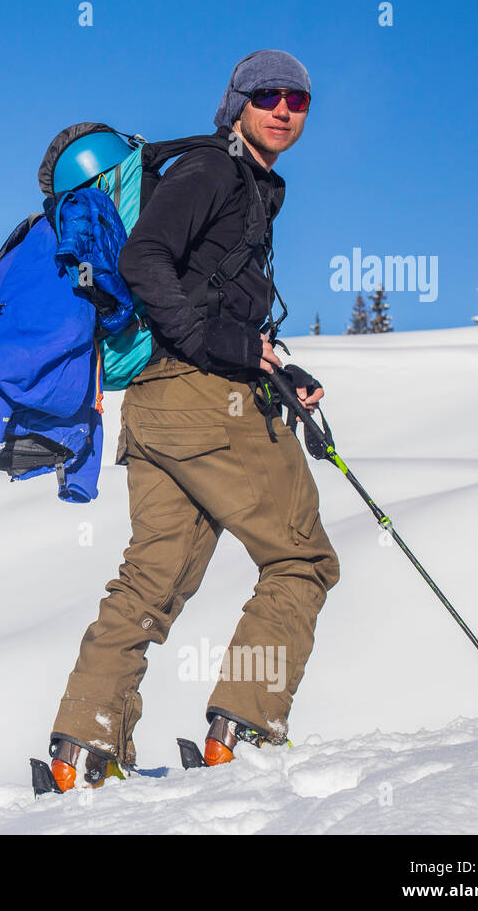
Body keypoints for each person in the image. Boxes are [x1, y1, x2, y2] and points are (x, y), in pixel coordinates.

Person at [46, 50, 341, 790]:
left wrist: (274, 364)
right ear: (236, 103)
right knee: (301, 560)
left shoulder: (236, 182)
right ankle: (243, 727)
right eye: (268, 95)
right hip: (207, 401)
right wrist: (229, 348)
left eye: (298, 100)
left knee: (152, 581)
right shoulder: (213, 171)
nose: (283, 109)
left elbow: (202, 298)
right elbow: (147, 260)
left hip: (155, 408)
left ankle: (83, 747)